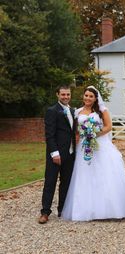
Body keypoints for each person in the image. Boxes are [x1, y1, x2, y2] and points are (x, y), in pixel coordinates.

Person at [61, 86, 125, 221]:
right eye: (86, 95)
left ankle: (110, 209)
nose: (88, 98)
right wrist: (83, 136)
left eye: (91, 96)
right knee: (85, 175)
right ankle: (85, 209)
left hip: (100, 146)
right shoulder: (77, 112)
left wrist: (94, 134)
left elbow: (108, 126)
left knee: (104, 174)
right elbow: (76, 131)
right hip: (84, 148)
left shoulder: (102, 111)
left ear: (95, 99)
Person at [39, 85, 76, 224]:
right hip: (56, 154)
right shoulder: (52, 111)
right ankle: (45, 212)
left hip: (70, 154)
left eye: (68, 94)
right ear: (57, 95)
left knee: (66, 183)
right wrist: (55, 153)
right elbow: (49, 135)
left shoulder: (73, 111)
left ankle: (62, 210)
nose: (66, 97)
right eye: (63, 94)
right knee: (50, 182)